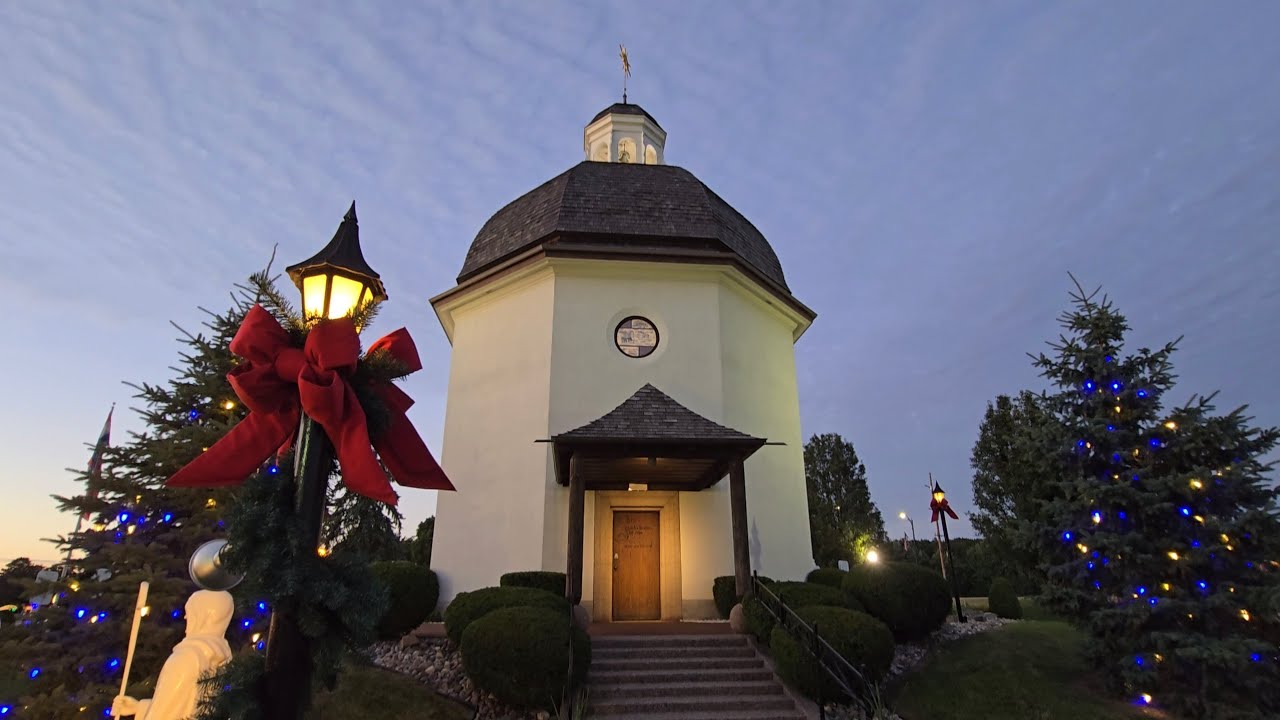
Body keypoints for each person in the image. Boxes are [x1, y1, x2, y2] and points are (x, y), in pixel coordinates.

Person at [111, 589, 234, 720]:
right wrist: (139, 707)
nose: (186, 617)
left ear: (202, 616)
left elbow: (162, 716)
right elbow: (187, 709)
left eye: (190, 612)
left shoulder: (186, 658)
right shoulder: (223, 659)